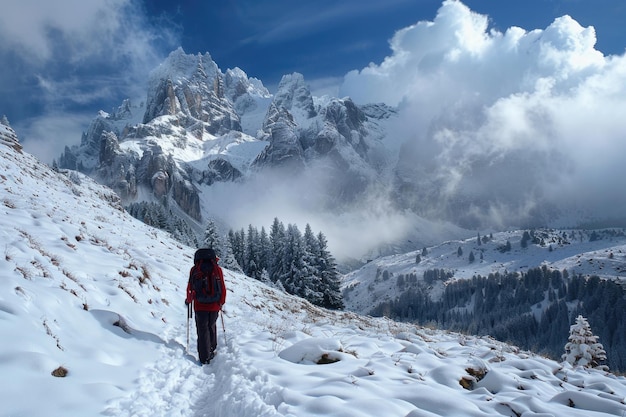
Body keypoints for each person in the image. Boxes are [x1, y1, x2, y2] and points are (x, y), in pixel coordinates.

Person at [186, 248, 226, 365]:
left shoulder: (194, 270)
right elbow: (222, 287)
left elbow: (190, 287)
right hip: (214, 305)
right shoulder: (217, 269)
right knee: (211, 325)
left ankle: (204, 357)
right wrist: (221, 302)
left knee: (202, 330)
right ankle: (212, 349)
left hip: (200, 306)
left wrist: (189, 300)